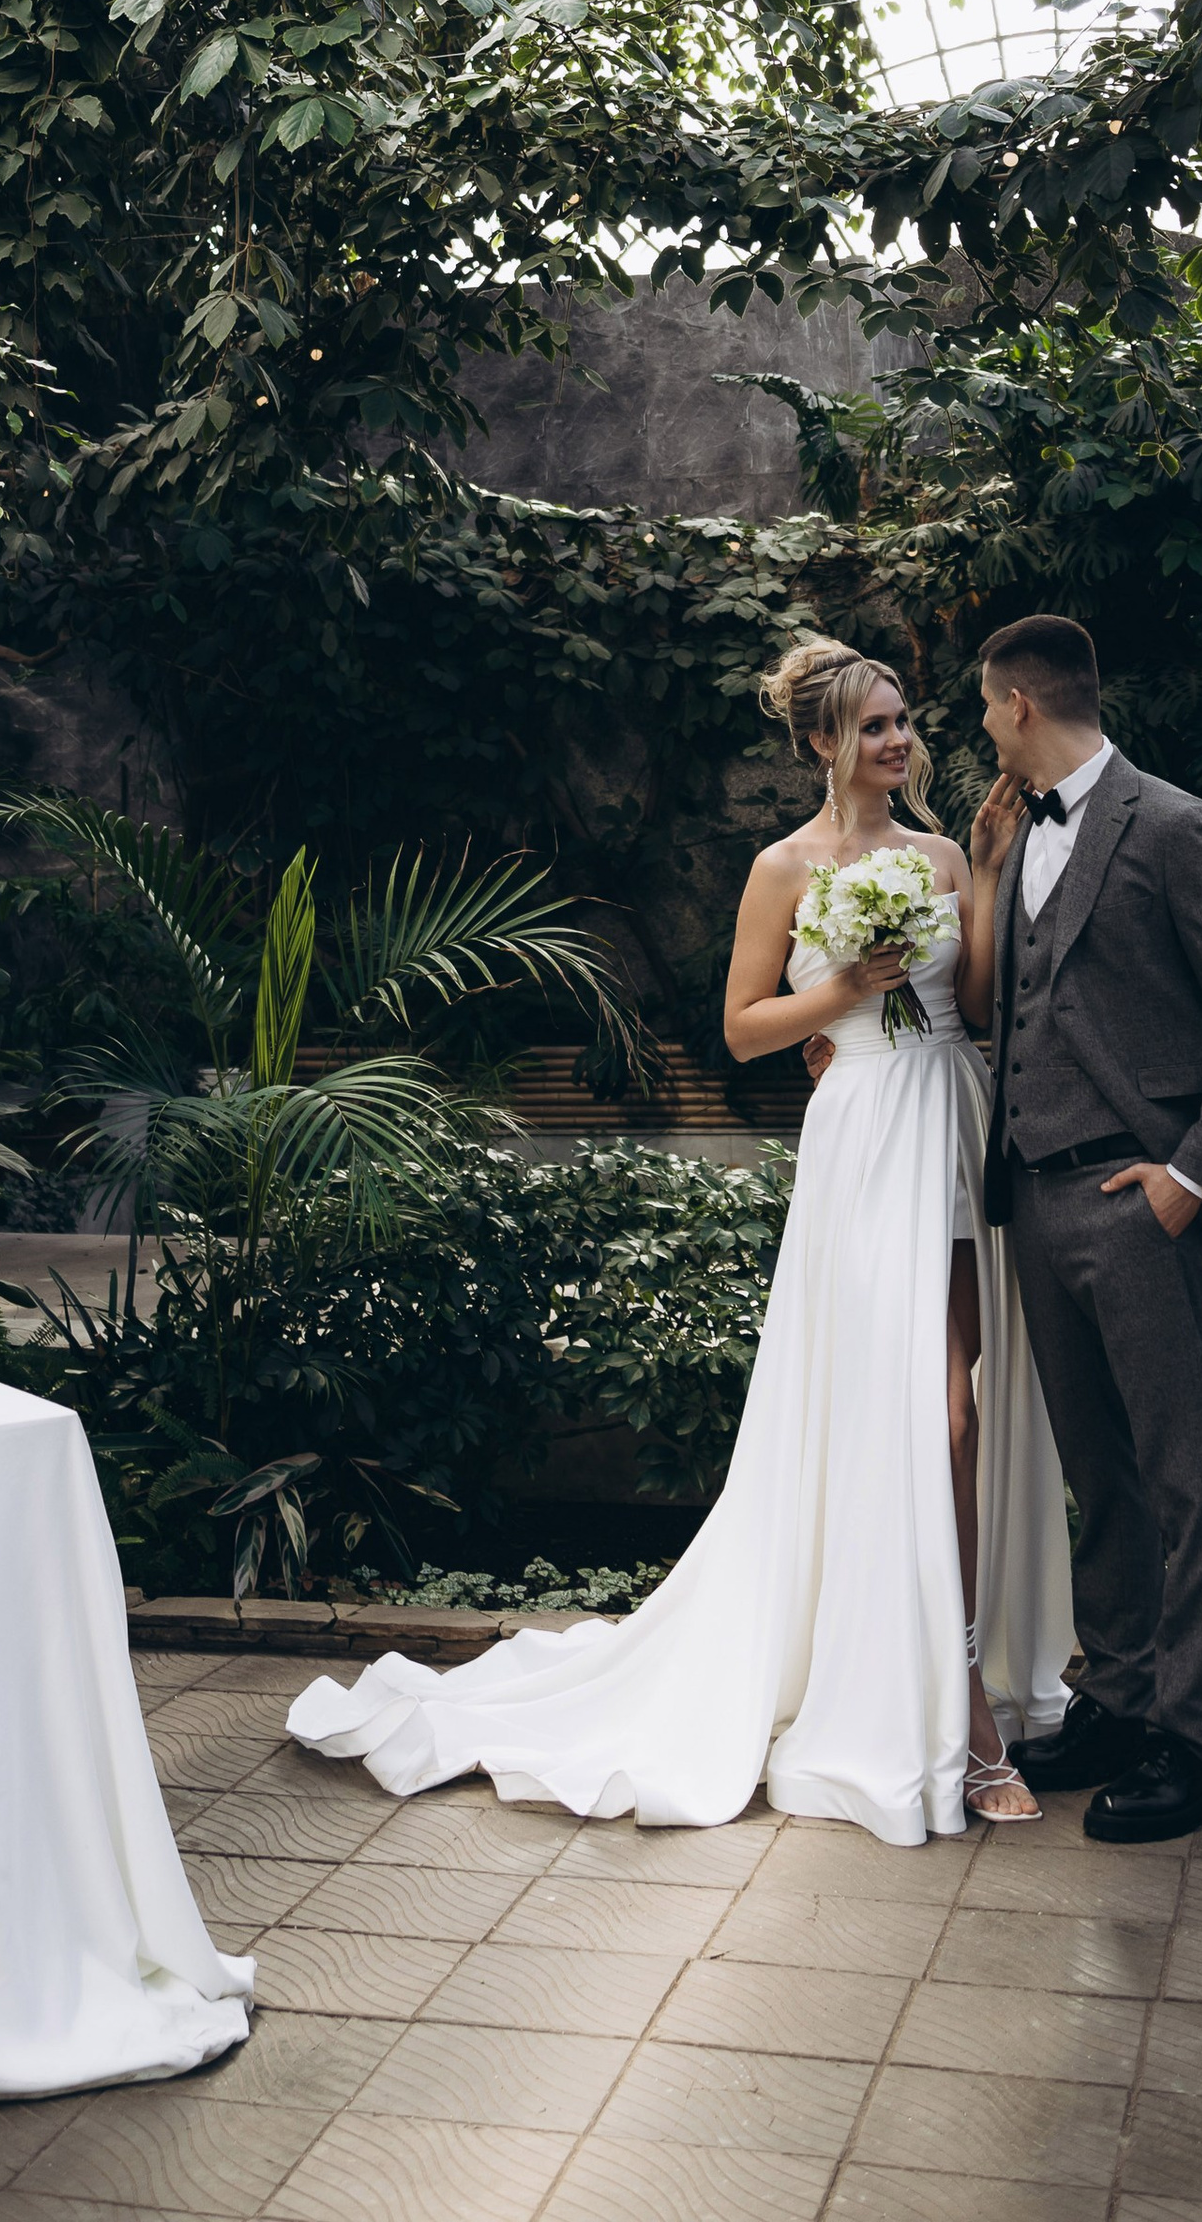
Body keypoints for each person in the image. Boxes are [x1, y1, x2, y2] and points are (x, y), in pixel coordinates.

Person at [284, 640, 1074, 1844]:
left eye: (903, 720)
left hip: (953, 1122)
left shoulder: (940, 852)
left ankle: (959, 1670)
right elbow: (745, 1029)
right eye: (870, 726)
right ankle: (953, 1705)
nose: (896, 742)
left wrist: (995, 870)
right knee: (913, 1412)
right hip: (864, 1139)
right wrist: (847, 988)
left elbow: (969, 997)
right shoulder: (783, 866)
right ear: (819, 744)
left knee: (960, 1403)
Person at [972, 612, 1202, 1845]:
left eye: (982, 714)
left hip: (1134, 1196)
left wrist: (1188, 1176)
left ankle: (1191, 1743)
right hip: (1036, 1194)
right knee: (1095, 1470)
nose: (982, 731)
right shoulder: (1012, 833)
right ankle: (1111, 1700)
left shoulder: (1172, 825)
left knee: (1182, 1471)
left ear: (1015, 708)